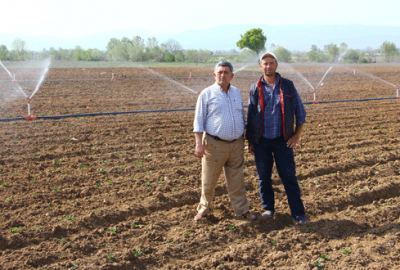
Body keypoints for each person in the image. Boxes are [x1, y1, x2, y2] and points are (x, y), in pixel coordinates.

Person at [246, 52, 309, 224]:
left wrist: (297, 135)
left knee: (289, 177)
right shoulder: (255, 88)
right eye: (265, 63)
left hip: (283, 140)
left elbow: (300, 111)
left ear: (276, 65)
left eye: (271, 63)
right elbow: (251, 115)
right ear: (261, 66)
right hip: (262, 142)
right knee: (263, 177)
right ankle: (268, 209)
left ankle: (298, 214)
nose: (268, 66)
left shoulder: (287, 86)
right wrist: (251, 140)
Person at [193, 60, 257, 222]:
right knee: (209, 180)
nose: (223, 75)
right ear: (214, 75)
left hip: (236, 144)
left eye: (226, 72)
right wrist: (199, 144)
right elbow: (199, 120)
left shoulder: (236, 93)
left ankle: (242, 210)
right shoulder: (206, 94)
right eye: (219, 72)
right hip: (214, 145)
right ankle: (203, 210)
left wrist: (247, 139)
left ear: (232, 76)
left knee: (237, 180)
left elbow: (242, 116)